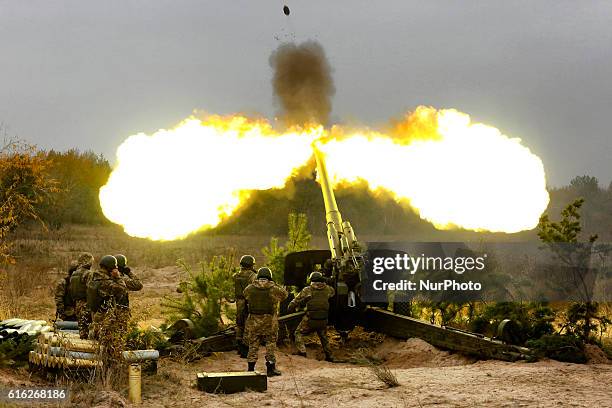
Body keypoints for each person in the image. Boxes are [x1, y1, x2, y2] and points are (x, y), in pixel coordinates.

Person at [243, 267, 288, 376]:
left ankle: (250, 369)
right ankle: (270, 369)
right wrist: (275, 284)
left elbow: (245, 295)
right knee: (270, 345)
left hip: (254, 322)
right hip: (269, 322)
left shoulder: (250, 288)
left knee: (253, 346)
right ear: (269, 277)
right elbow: (284, 295)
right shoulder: (273, 289)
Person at [87, 255, 129, 359]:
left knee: (96, 339)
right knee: (107, 342)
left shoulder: (92, 276)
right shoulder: (106, 281)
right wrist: (118, 276)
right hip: (105, 316)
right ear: (110, 267)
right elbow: (122, 289)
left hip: (95, 313)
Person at [287, 271, 335, 362]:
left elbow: (295, 301)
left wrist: (290, 307)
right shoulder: (329, 289)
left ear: (311, 280)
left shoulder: (307, 289)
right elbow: (332, 294)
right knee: (324, 337)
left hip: (310, 319)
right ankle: (329, 356)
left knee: (298, 333)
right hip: (323, 319)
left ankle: (302, 351)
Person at [232, 254, 257, 358]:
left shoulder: (236, 275)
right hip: (248, 302)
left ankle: (239, 347)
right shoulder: (253, 276)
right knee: (248, 325)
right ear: (251, 264)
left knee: (239, 324)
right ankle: (244, 350)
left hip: (239, 302)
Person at [68, 252, 95, 338]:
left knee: (82, 329)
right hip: (86, 304)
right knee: (90, 329)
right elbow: (91, 290)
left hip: (77, 304)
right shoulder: (88, 273)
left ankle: (81, 346)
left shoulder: (74, 274)